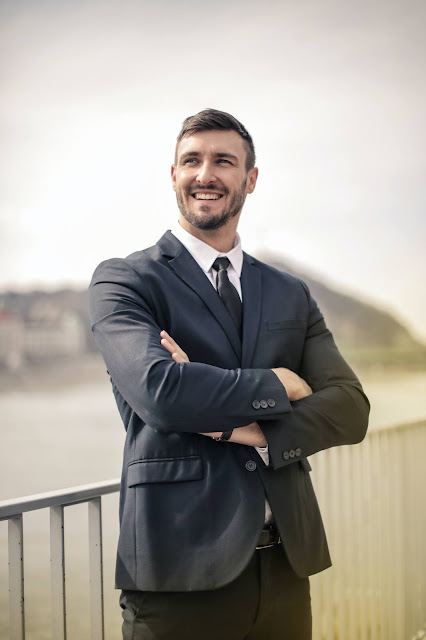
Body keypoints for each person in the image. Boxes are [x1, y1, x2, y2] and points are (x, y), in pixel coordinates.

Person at [88, 108, 369, 640]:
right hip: (178, 573)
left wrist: (228, 422)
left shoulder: (290, 291)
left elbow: (351, 409)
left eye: (224, 160)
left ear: (251, 178)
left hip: (287, 566)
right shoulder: (125, 280)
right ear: (173, 175)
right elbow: (162, 393)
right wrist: (280, 384)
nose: (205, 174)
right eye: (191, 160)